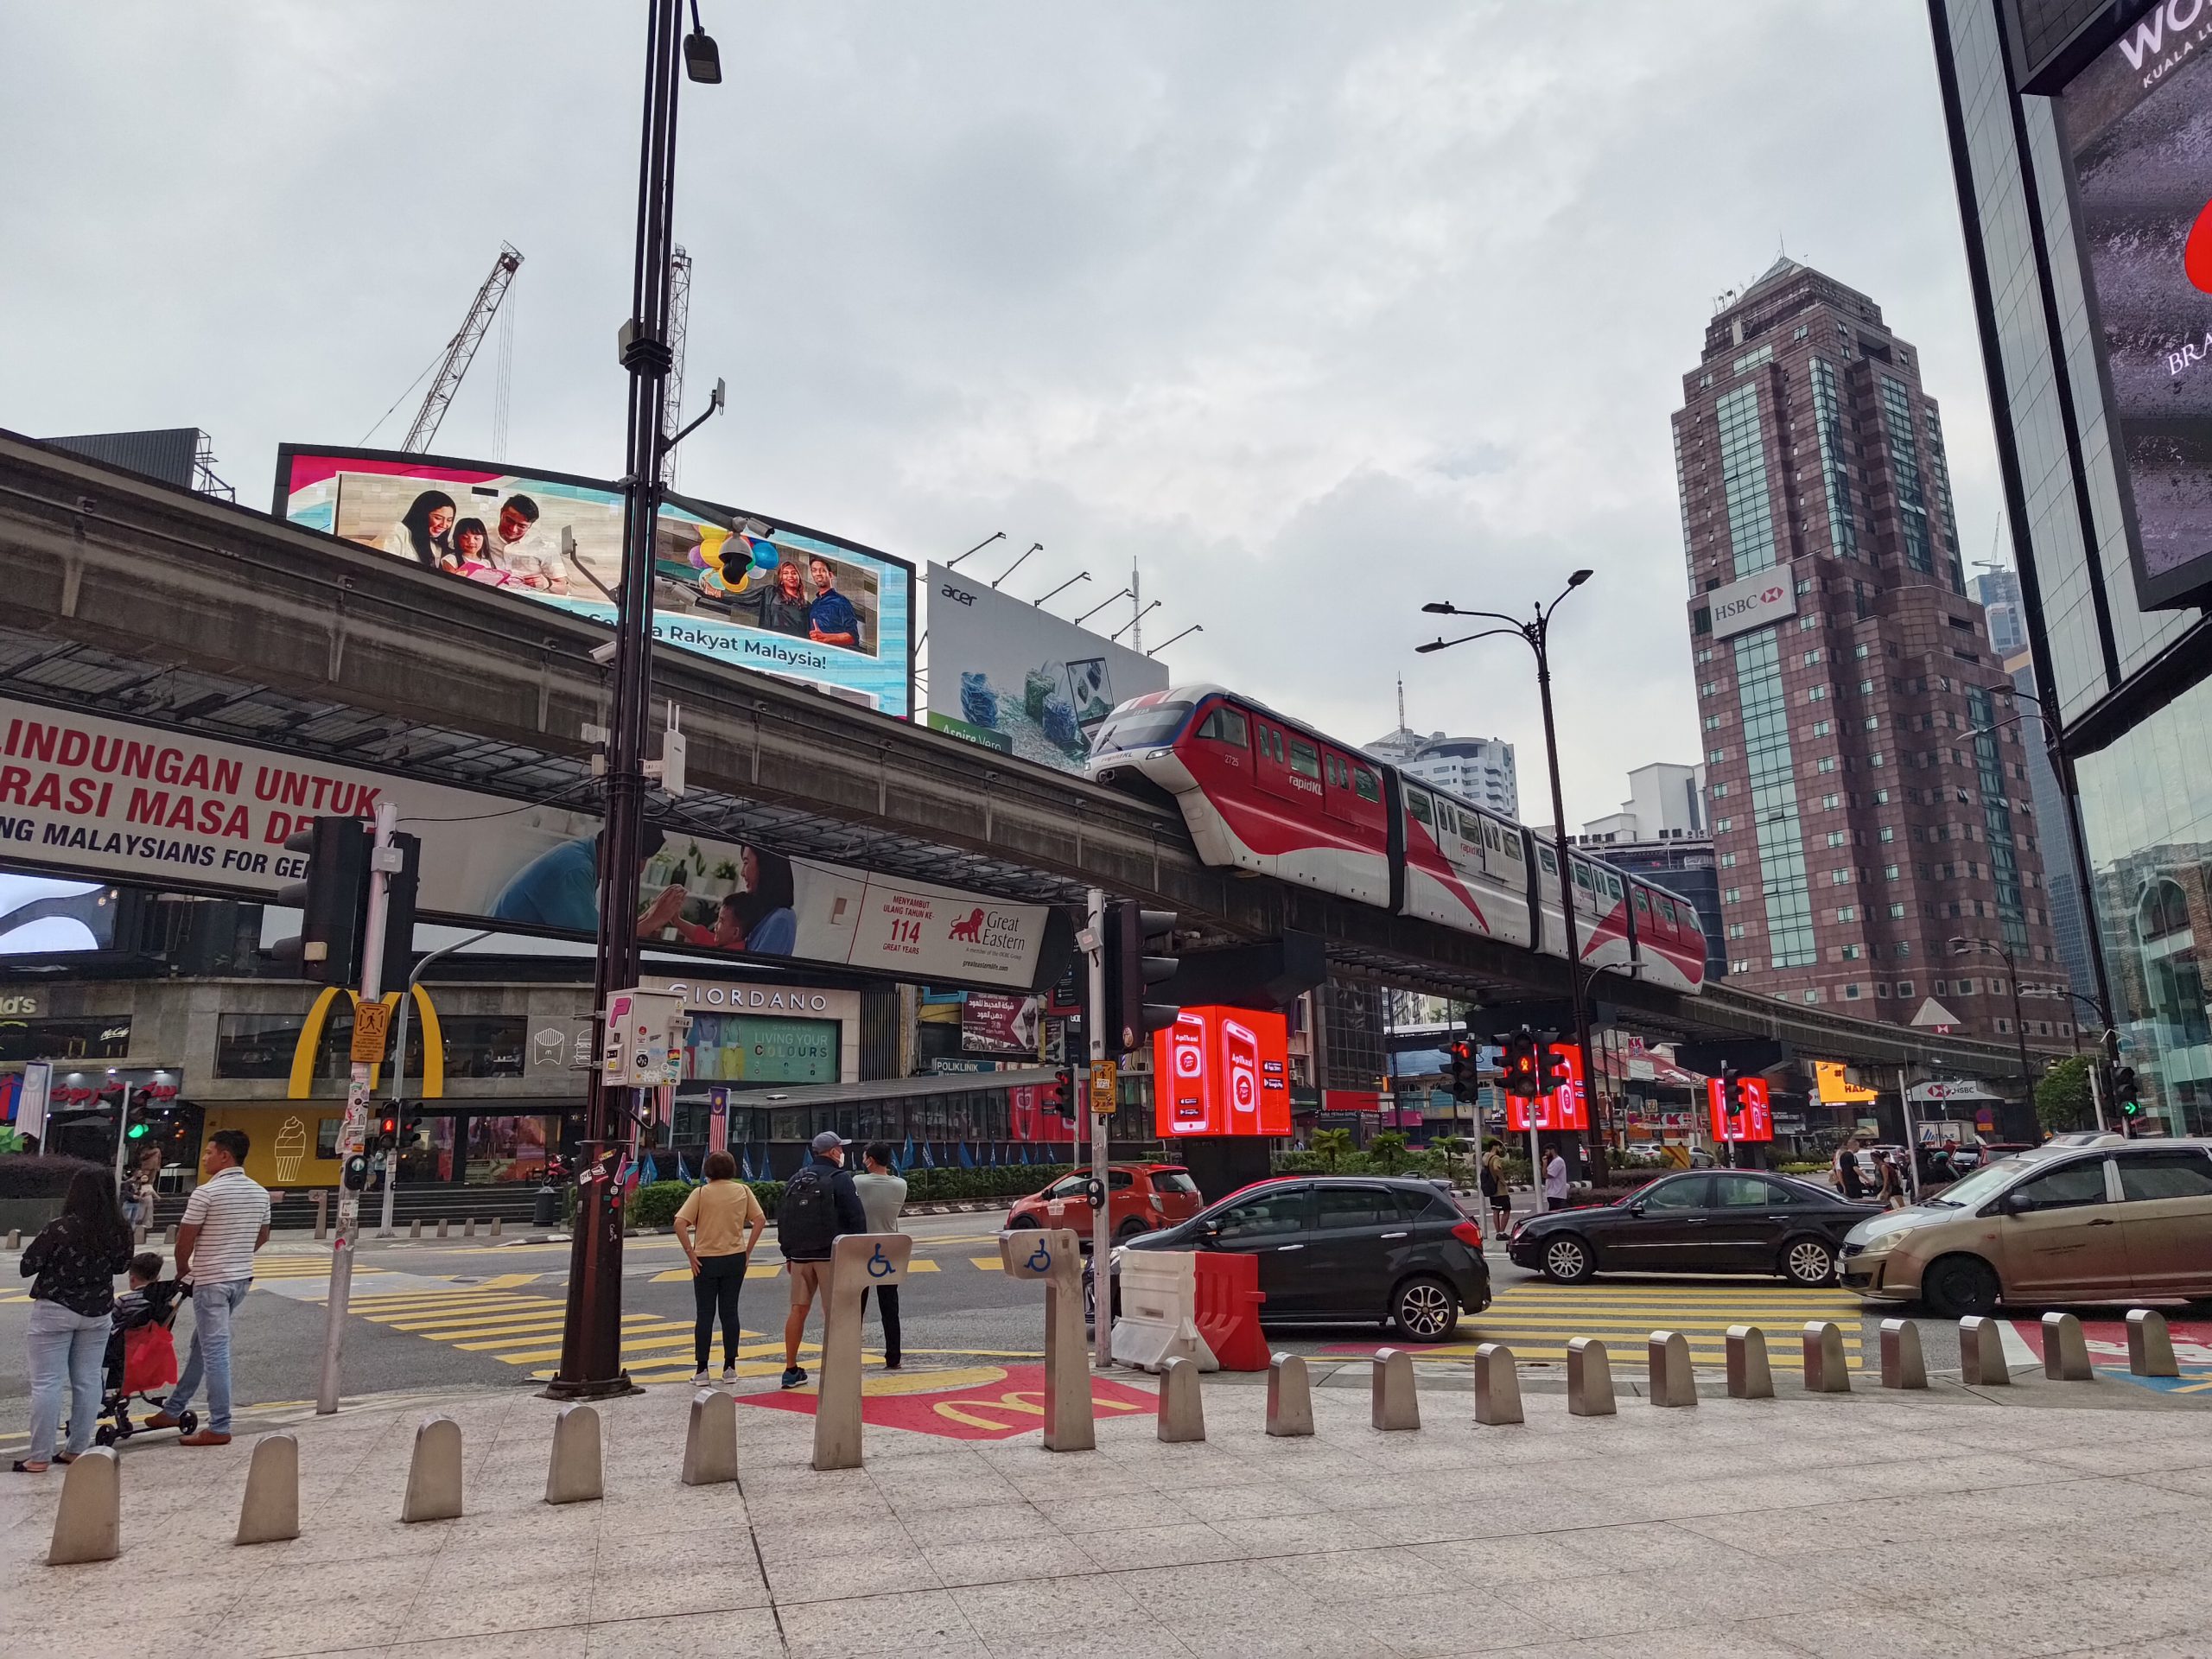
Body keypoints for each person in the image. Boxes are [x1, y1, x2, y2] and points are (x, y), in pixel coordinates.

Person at [145, 1128, 270, 1447]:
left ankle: (220, 1426)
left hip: (212, 1281)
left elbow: (184, 1239)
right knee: (201, 1345)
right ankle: (173, 1409)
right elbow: (263, 1235)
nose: (204, 1158)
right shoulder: (260, 1193)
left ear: (225, 1156)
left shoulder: (206, 1193)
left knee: (215, 1352)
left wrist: (184, 1269)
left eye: (209, 1152)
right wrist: (236, 1256)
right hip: (240, 1280)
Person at [16, 1168, 133, 1472]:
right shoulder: (120, 1229)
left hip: (55, 1309)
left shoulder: (60, 1228)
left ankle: (39, 1456)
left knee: (47, 1383)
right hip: (98, 1312)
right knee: (89, 1379)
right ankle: (77, 1448)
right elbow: (122, 1266)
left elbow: (28, 1265)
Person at [778, 1131, 867, 1389]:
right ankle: (838, 1367)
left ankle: (790, 1369)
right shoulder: (840, 1179)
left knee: (798, 1310)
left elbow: (783, 1218)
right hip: (831, 1255)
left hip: (799, 1256)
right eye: (840, 1148)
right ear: (833, 1152)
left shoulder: (796, 1178)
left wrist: (788, 1254)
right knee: (834, 1312)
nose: (842, 1152)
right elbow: (857, 1219)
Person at [674, 1149, 766, 1384]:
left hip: (705, 1260)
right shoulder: (743, 1191)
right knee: (730, 1312)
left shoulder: (701, 1193)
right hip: (735, 1257)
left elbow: (680, 1223)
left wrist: (690, 1253)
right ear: (732, 1169)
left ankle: (702, 1370)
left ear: (709, 1170)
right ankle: (730, 1368)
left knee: (705, 1314)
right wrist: (748, 1251)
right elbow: (760, 1220)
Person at [853, 1141, 908, 1371]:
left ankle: (851, 1353)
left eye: (864, 1157)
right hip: (889, 1249)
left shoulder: (858, 1182)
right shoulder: (901, 1185)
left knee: (856, 1306)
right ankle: (893, 1357)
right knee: (890, 1307)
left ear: (870, 1161)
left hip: (862, 1249)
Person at [490, 494, 567, 594]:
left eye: (522, 526)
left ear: (530, 526)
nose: (513, 529)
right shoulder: (482, 537)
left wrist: (548, 583)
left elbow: (563, 589)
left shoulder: (545, 546)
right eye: (509, 520)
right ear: (501, 513)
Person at [730, 847, 798, 955]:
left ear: (765, 865)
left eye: (746, 863)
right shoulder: (766, 915)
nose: (742, 872)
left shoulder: (781, 919)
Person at [385, 490, 456, 571]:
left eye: (449, 520)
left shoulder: (436, 546)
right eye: (438, 518)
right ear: (421, 514)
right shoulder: (398, 530)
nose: (444, 525)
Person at [805, 556, 862, 649]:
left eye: (822, 570)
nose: (818, 573)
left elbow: (853, 636)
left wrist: (826, 638)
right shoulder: (814, 604)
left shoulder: (841, 601)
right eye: (814, 570)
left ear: (831, 575)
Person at [760, 559, 813, 637]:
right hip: (772, 641)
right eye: (785, 573)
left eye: (794, 573)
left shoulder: (807, 606)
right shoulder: (771, 593)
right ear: (781, 579)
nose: (790, 576)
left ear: (799, 578)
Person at [1480, 1139, 1510, 1239]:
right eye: (1499, 1147)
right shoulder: (1496, 1158)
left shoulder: (1486, 1157)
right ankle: (1502, 1232)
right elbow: (1496, 1168)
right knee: (1507, 1210)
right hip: (1500, 1189)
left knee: (1496, 1211)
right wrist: (1502, 1180)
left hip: (1491, 1188)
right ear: (1495, 1146)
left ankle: (1498, 1232)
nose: (1500, 1149)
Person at [1833, 1134, 1871, 1201]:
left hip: (1847, 1183)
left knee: (1850, 1200)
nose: (1859, 1148)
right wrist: (1867, 1179)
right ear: (1854, 1146)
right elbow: (1855, 1168)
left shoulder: (1842, 1156)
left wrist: (1844, 1186)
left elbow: (1840, 1171)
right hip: (1854, 1184)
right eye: (1858, 1146)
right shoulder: (1852, 1156)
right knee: (1857, 1200)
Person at [1541, 1147, 1568, 1211]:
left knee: (1554, 1213)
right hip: (1553, 1193)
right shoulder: (1553, 1161)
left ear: (1552, 1150)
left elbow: (1547, 1175)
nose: (1546, 1154)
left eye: (1547, 1151)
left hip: (1557, 1194)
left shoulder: (1558, 1161)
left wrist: (1544, 1164)